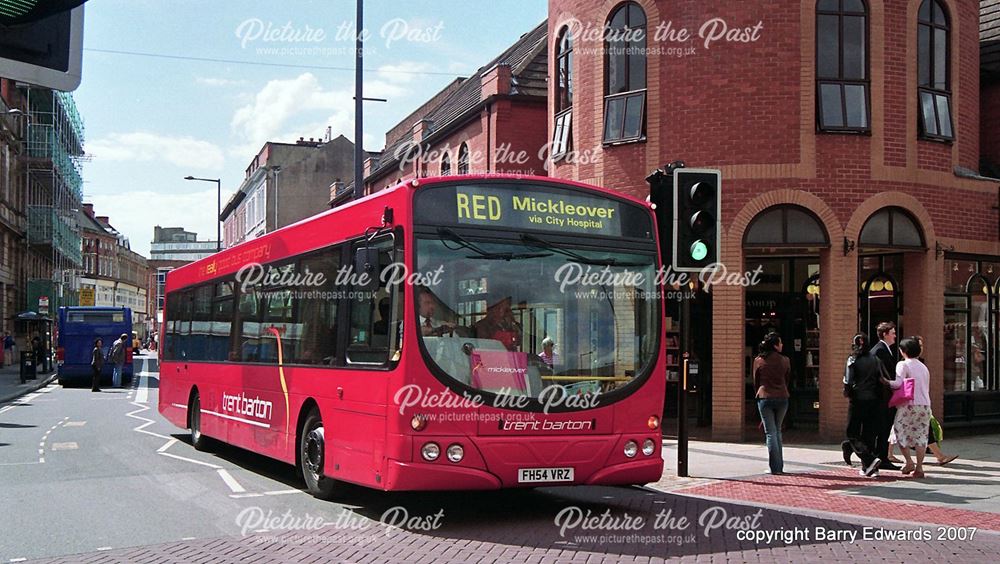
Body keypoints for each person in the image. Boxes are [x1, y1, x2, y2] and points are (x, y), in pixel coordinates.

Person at [881, 337, 932, 478]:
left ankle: (909, 461)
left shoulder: (903, 364)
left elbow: (897, 384)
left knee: (899, 432)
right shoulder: (923, 367)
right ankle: (920, 468)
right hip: (925, 405)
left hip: (908, 405)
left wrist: (885, 381)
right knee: (921, 436)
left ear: (904, 351)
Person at [841, 333, 883, 477]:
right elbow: (880, 378)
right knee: (869, 433)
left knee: (852, 432)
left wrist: (847, 392)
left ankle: (869, 460)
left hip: (858, 399)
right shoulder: (875, 359)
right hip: (873, 398)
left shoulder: (852, 359)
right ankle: (870, 468)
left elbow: (848, 380)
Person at [753, 332, 790, 475]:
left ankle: (775, 467)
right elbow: (787, 378)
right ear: (775, 345)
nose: (782, 345)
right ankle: (779, 466)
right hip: (782, 397)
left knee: (770, 433)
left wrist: (758, 393)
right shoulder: (785, 360)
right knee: (778, 431)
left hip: (765, 397)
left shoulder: (759, 360)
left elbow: (756, 380)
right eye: (780, 343)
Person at [870, 321, 900, 471]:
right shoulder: (880, 351)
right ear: (885, 334)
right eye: (893, 333)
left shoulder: (885, 349)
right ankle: (881, 458)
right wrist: (891, 384)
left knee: (885, 427)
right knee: (883, 427)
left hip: (886, 396)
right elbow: (881, 375)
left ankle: (881, 457)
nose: (895, 335)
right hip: (882, 397)